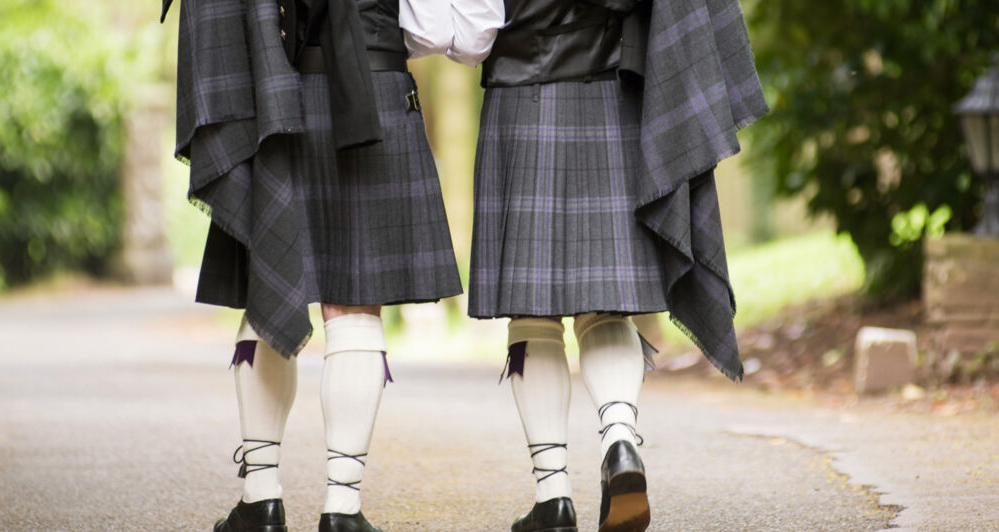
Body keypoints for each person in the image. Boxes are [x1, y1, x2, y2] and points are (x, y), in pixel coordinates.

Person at [404, 0, 768, 531]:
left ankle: (553, 497)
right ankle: (620, 441)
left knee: (531, 314)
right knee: (607, 307)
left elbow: (476, 32)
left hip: (520, 96)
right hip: (609, 95)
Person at [161, 0, 464, 530]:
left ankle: (261, 499)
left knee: (268, 279)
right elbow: (443, 28)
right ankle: (342, 509)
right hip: (372, 84)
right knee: (354, 302)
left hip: (274, 90)